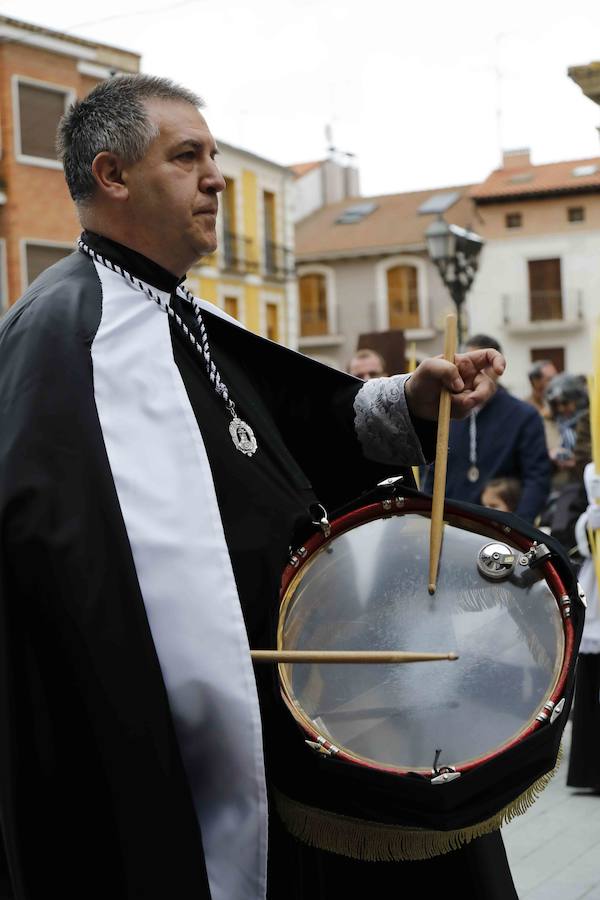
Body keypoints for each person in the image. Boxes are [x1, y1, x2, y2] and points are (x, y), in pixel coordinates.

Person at [0, 75, 511, 900]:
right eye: (187, 156)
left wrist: (416, 398)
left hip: (299, 711)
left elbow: (306, 428)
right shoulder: (59, 336)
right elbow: (54, 573)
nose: (217, 177)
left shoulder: (183, 313)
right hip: (189, 744)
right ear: (111, 175)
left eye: (213, 154)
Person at [424, 334, 551, 523]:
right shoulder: (445, 414)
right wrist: (426, 517)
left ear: (497, 368)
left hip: (498, 532)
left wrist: (518, 528)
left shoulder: (524, 416)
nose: (475, 372)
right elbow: (433, 473)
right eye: (467, 363)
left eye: (482, 365)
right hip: (450, 528)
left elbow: (537, 478)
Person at [567, 462, 600, 792]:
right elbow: (567, 528)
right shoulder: (592, 473)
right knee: (592, 685)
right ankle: (591, 771)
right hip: (597, 588)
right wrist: (589, 524)